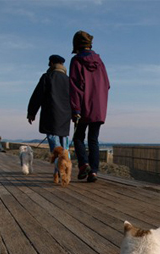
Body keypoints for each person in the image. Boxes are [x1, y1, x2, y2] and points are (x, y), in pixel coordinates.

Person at [69, 30, 110, 183]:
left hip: (83, 105)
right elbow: (107, 84)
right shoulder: (100, 62)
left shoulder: (76, 61)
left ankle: (83, 164)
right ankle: (93, 171)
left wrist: (75, 109)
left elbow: (75, 87)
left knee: (78, 137)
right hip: (99, 107)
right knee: (94, 139)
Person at [27, 55, 71, 154]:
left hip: (51, 115)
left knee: (54, 141)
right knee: (64, 142)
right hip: (65, 117)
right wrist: (75, 114)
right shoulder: (68, 80)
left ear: (51, 64)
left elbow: (37, 96)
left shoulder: (47, 77)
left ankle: (59, 166)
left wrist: (31, 113)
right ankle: (65, 166)